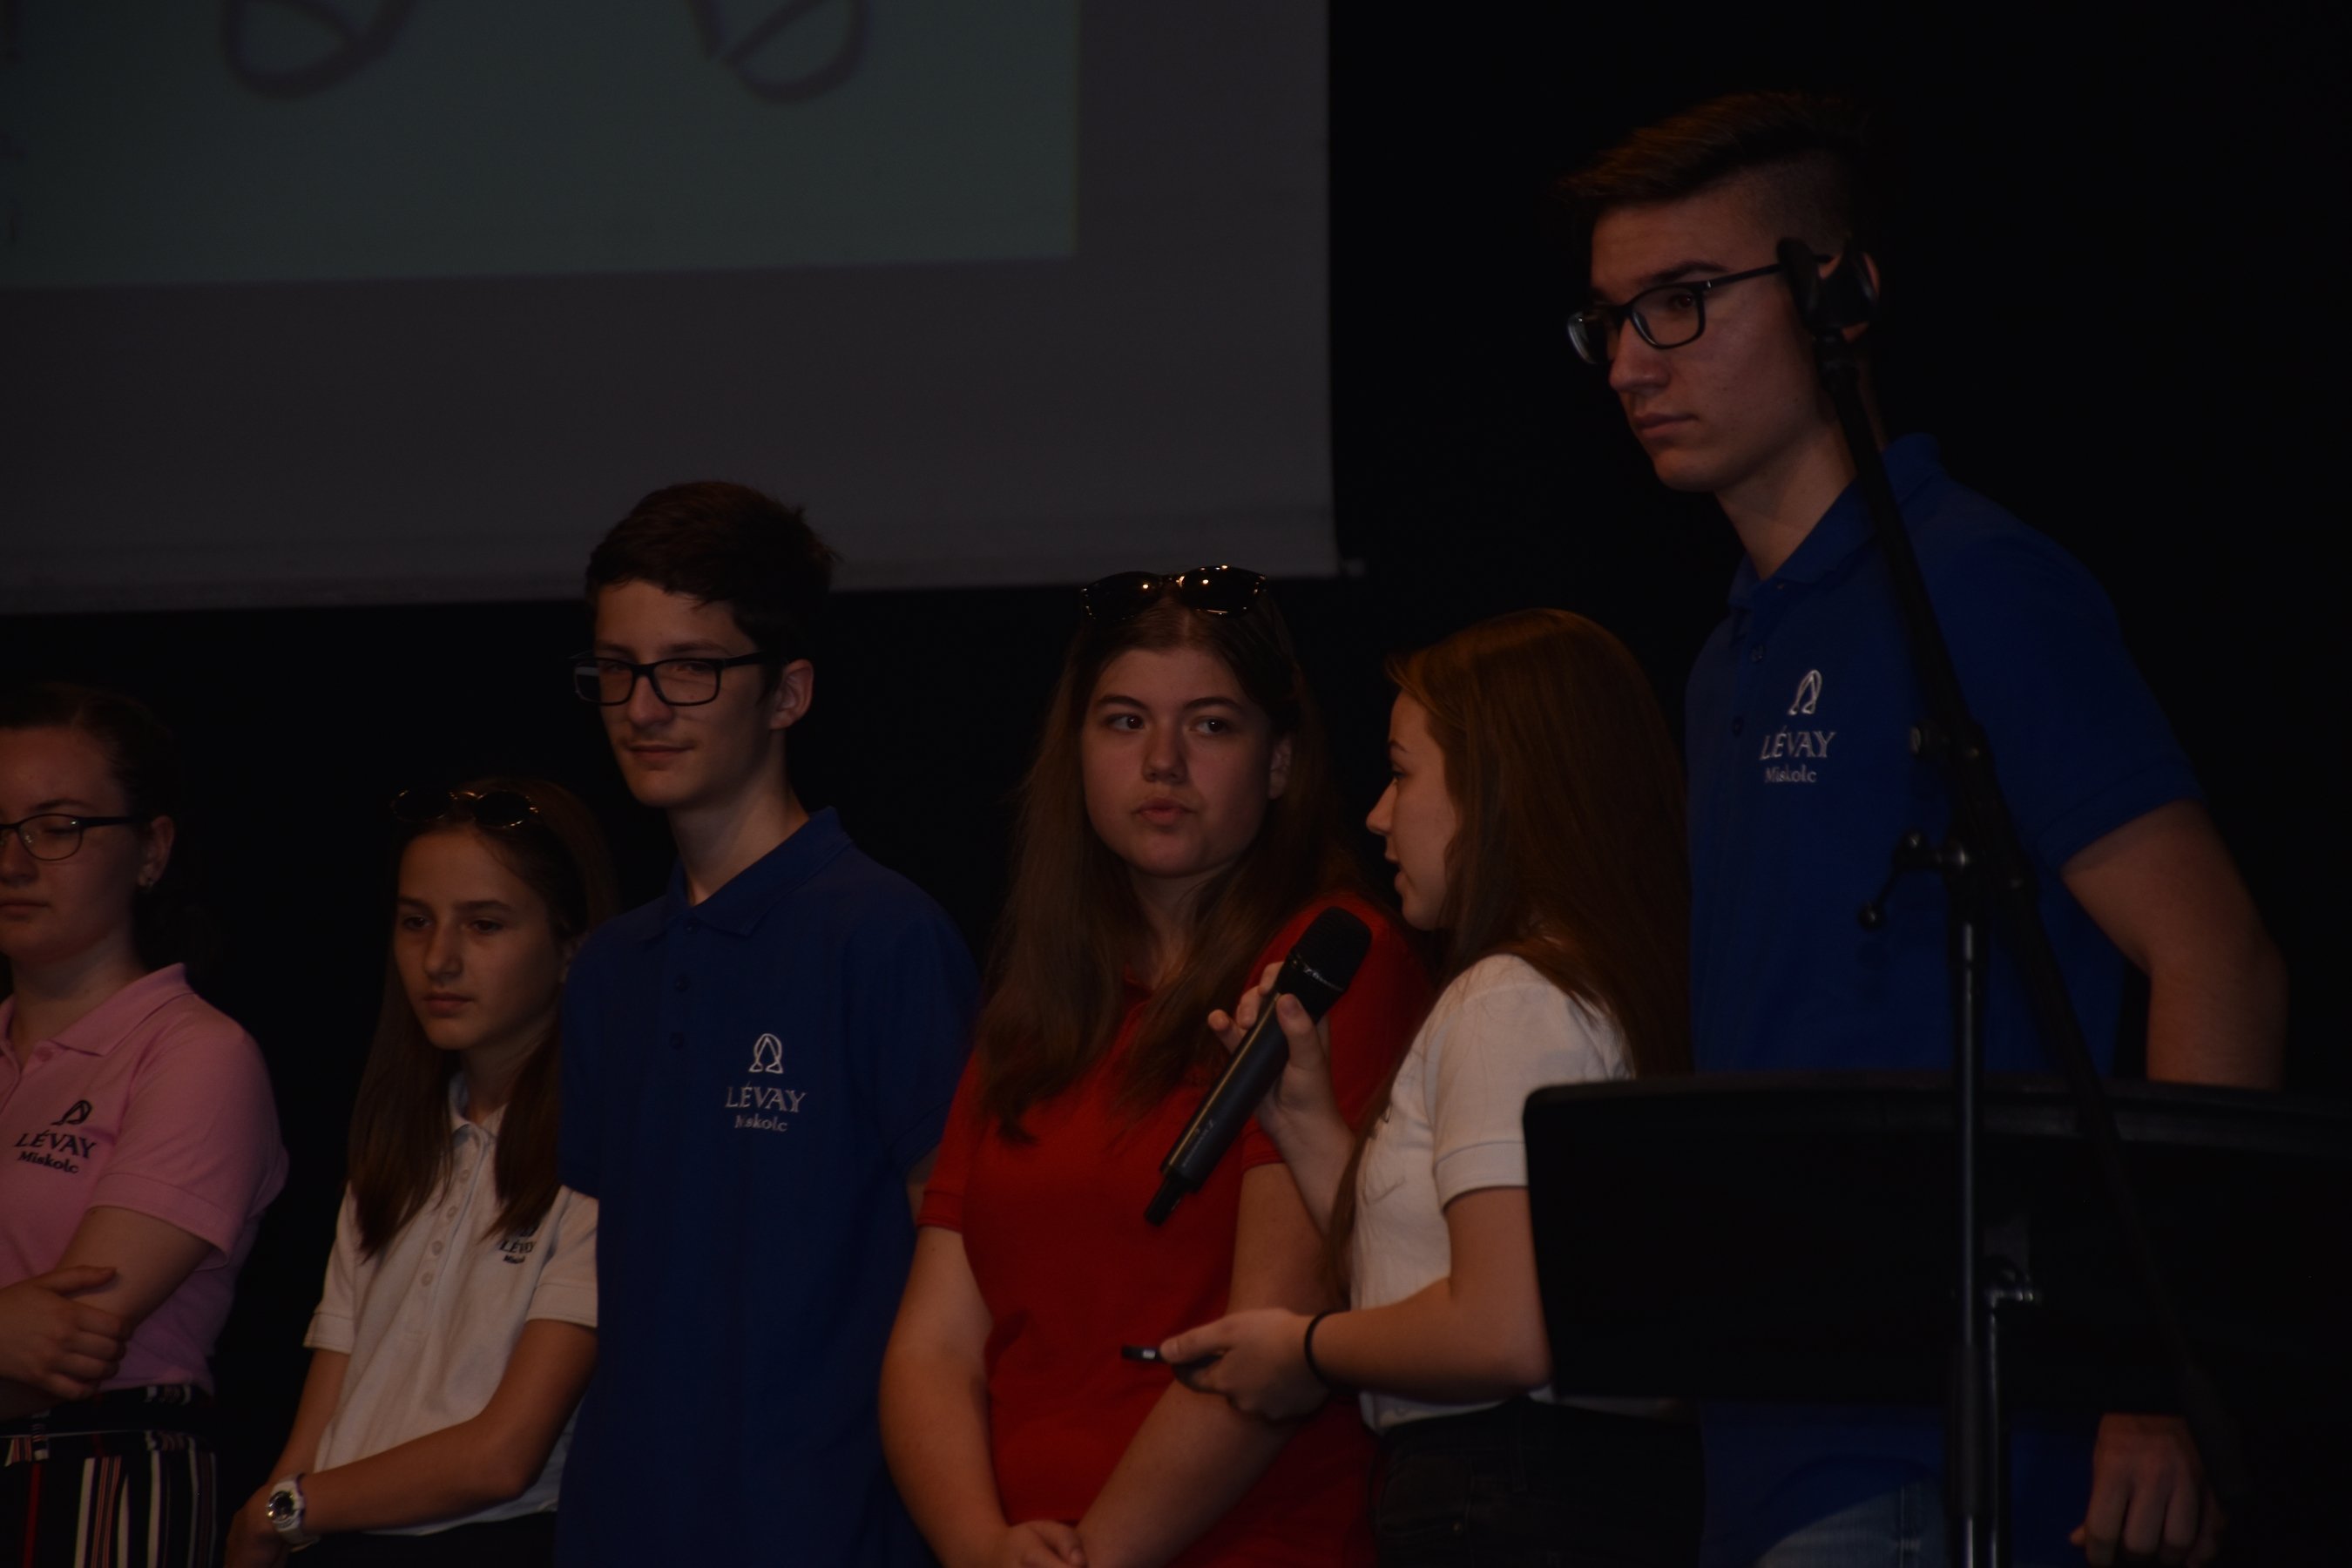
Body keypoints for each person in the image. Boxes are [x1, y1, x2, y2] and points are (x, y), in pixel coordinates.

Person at [1559, 91, 2288, 1568]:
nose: (1633, 361)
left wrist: (2157, 1367)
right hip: (1769, 1436)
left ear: (1841, 294)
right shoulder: (1728, 658)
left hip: (1949, 1437)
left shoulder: (1975, 586)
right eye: (1613, 320)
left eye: (1682, 302)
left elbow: (2218, 956)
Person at [879, 567, 1429, 1568]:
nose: (1163, 762)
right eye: (1125, 722)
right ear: (1077, 751)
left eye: (1211, 725)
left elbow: (1272, 1331)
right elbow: (934, 1344)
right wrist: (975, 1544)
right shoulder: (1038, 1004)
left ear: (1279, 762)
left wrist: (1093, 1557)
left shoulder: (1323, 964)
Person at [1159, 609, 1704, 1567]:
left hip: (1505, 1493)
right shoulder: (1604, 983)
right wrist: (1304, 1120)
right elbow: (1439, 1273)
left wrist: (1303, 1347)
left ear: (1499, 788)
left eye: (1404, 774)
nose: (1378, 815)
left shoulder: (1510, 999)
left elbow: (1503, 1332)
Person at [554, 483, 979, 1565]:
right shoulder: (609, 969)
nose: (644, 707)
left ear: (787, 692)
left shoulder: (883, 936)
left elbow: (965, 1271)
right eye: (617, 668)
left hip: (827, 1529)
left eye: (689, 668)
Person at [225, 779, 616, 1566]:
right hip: (333, 1534)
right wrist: (268, 1523)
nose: (439, 959)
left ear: (571, 947)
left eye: (484, 924)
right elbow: (323, 1426)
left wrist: (280, 1513)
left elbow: (501, 1458)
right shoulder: (401, 1145)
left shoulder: (601, 1152)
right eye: (416, 922)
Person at [0, 683, 287, 1566]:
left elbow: (69, 1345)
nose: (13, 861)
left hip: (91, 1476)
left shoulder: (195, 1053)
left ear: (151, 850)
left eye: (57, 827)